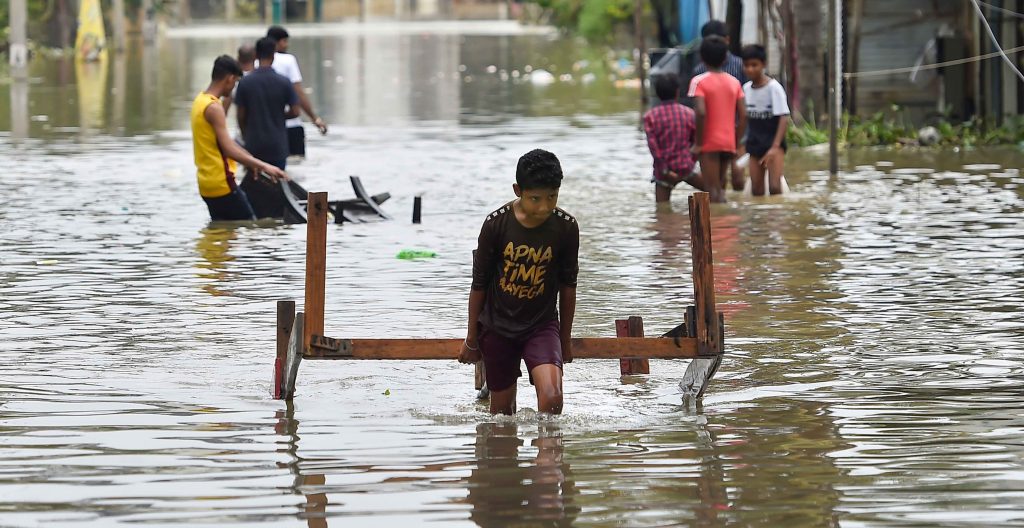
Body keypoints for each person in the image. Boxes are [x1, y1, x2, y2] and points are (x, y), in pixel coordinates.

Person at [458, 149, 579, 416]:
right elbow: (479, 284)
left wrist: (566, 339)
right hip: (498, 327)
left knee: (552, 398)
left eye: (552, 197)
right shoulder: (496, 225)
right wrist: (471, 338)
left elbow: (568, 286)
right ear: (518, 190)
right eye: (535, 198)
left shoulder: (566, 227)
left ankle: (548, 456)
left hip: (541, 325)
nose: (544, 207)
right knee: (502, 414)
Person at [191, 55, 287, 221]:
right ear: (229, 79)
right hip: (222, 183)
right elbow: (228, 149)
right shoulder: (214, 108)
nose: (234, 88)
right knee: (248, 225)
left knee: (224, 232)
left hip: (206, 183)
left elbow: (226, 143)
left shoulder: (200, 101)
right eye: (235, 82)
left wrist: (251, 160)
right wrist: (265, 166)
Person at [688, 36, 747, 203]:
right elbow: (744, 115)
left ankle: (719, 226)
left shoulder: (698, 81)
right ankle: (727, 225)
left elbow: (700, 112)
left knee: (711, 190)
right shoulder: (734, 82)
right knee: (720, 187)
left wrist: (699, 143)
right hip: (728, 143)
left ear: (702, 57)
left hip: (708, 143)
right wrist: (735, 141)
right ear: (725, 58)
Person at [235, 37, 300, 171]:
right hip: (278, 146)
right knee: (278, 183)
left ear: (256, 55)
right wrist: (278, 115)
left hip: (253, 145)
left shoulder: (245, 82)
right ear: (273, 56)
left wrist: (246, 135)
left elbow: (240, 116)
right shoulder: (284, 82)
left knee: (253, 187)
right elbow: (295, 112)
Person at [265, 25, 328, 158]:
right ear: (276, 42)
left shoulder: (257, 62)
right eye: (284, 41)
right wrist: (314, 118)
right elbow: (298, 92)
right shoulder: (288, 60)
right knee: (296, 165)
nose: (287, 45)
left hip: (266, 128)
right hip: (291, 126)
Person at [741, 44, 790, 196]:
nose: (750, 69)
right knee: (756, 190)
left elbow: (783, 117)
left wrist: (775, 147)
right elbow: (744, 117)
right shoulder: (746, 89)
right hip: (754, 143)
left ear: (763, 64)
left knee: (775, 187)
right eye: (747, 65)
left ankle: (776, 217)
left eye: (754, 65)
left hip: (772, 143)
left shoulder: (774, 88)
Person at [643, 73, 698, 204]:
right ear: (677, 92)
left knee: (661, 210)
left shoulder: (650, 116)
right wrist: (690, 162)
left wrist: (665, 170)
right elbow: (696, 142)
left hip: (664, 172)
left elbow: (654, 149)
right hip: (685, 167)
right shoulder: (689, 114)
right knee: (713, 192)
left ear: (656, 93)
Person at [221, 44, 255, 115]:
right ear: (255, 57)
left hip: (242, 124)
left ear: (238, 58)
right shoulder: (261, 78)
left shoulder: (233, 80)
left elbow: (224, 110)